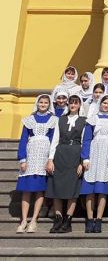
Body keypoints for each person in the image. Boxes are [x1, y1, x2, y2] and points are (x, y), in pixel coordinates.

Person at [15, 94, 58, 233]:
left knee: (40, 189)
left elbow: (53, 141)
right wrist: (22, 159)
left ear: (49, 104)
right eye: (41, 102)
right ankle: (23, 220)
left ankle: (34, 219)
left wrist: (50, 159)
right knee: (27, 190)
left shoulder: (53, 120)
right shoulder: (29, 119)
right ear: (37, 103)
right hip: (31, 153)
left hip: (44, 156)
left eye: (46, 102)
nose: (43, 104)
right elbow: (23, 140)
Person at [46, 95, 85, 234]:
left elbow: (84, 142)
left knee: (72, 189)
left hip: (75, 153)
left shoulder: (84, 121)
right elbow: (55, 139)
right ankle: (58, 219)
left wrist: (82, 161)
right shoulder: (60, 119)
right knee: (57, 187)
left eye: (76, 103)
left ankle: (68, 221)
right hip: (60, 153)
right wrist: (50, 159)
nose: (73, 105)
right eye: (71, 103)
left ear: (80, 105)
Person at [80, 94, 108, 234]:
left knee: (102, 189)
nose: (106, 105)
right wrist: (85, 158)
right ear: (100, 104)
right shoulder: (92, 119)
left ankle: (99, 219)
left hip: (107, 154)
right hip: (94, 153)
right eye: (104, 103)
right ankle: (90, 219)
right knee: (90, 188)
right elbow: (87, 139)